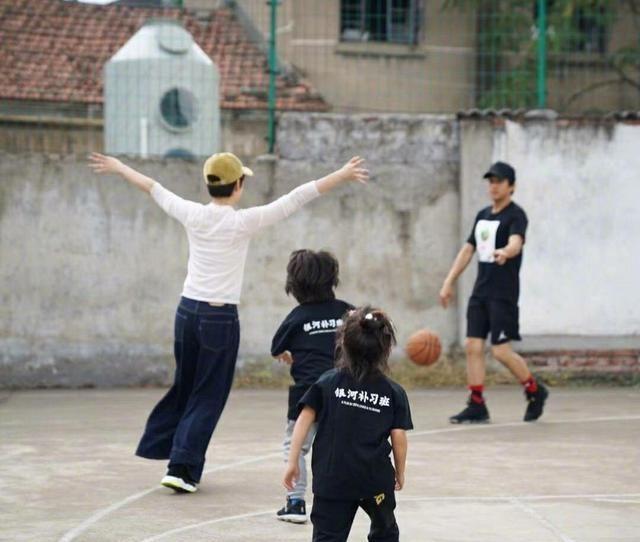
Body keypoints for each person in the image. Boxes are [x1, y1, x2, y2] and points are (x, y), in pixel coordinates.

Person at [88, 151, 368, 493]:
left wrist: (118, 167)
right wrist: (340, 174)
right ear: (238, 186)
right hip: (218, 319)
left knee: (187, 386)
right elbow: (295, 198)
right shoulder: (242, 222)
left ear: (208, 185)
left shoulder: (192, 213)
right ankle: (183, 468)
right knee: (209, 395)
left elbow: (151, 186)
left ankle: (168, 450)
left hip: (186, 314)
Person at [284, 306, 412, 542]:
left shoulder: (327, 383)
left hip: (333, 479)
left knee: (328, 536)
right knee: (385, 530)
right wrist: (400, 472)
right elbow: (398, 437)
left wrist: (293, 461)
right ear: (387, 348)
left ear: (342, 343)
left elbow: (303, 418)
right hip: (374, 480)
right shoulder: (393, 392)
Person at [439, 161, 548, 424]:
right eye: (491, 181)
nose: (493, 185)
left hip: (503, 293)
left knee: (500, 351)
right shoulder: (483, 215)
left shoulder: (515, 215)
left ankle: (535, 390)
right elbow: (468, 250)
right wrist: (449, 281)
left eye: (499, 181)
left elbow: (516, 242)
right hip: (481, 291)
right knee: (472, 346)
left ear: (511, 186)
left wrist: (506, 252)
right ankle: (477, 404)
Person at [271, 249, 353, 523]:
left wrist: (287, 353)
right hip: (345, 392)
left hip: (306, 395)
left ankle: (295, 503)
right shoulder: (347, 312)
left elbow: (276, 347)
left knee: (294, 447)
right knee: (338, 447)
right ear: (333, 280)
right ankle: (341, 500)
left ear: (294, 286)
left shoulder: (296, 317)